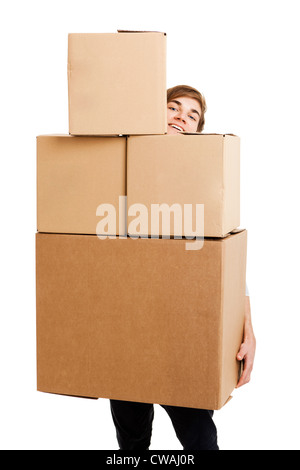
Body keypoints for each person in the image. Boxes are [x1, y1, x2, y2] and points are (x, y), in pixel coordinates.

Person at [110, 85, 256, 451]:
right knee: (132, 441)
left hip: (182, 332)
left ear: (196, 132)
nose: (181, 116)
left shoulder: (204, 183)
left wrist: (247, 329)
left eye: (192, 115)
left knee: (200, 440)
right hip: (128, 327)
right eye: (173, 107)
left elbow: (227, 259)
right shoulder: (113, 165)